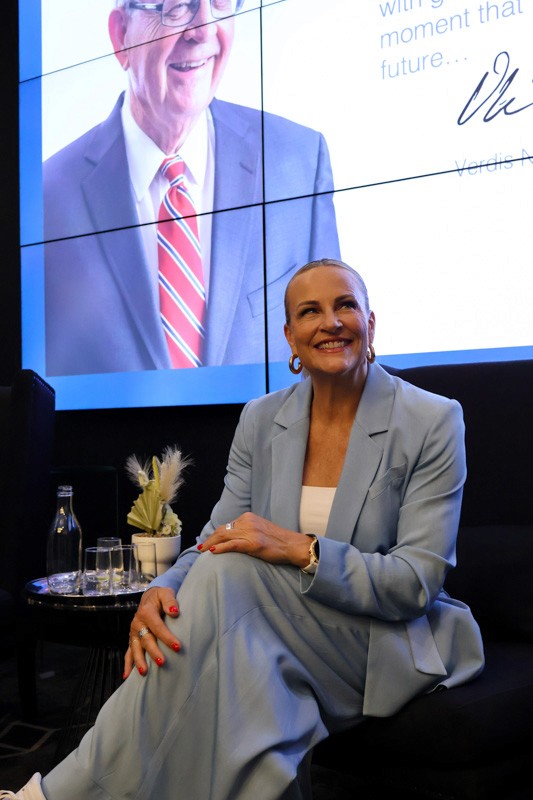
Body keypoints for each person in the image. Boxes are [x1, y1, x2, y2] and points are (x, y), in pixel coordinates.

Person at [4, 258, 484, 799]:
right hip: (275, 632)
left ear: (370, 323)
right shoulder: (261, 418)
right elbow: (217, 535)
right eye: (310, 311)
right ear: (291, 338)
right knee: (242, 672)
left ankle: (53, 795)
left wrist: (299, 548)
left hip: (381, 639)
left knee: (229, 578)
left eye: (345, 305)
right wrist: (163, 589)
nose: (330, 322)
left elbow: (415, 584)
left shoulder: (432, 419)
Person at [43, 0, 340, 376]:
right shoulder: (46, 199)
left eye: (219, 4)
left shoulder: (299, 161)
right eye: (178, 7)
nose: (203, 30)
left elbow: (336, 364)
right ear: (121, 36)